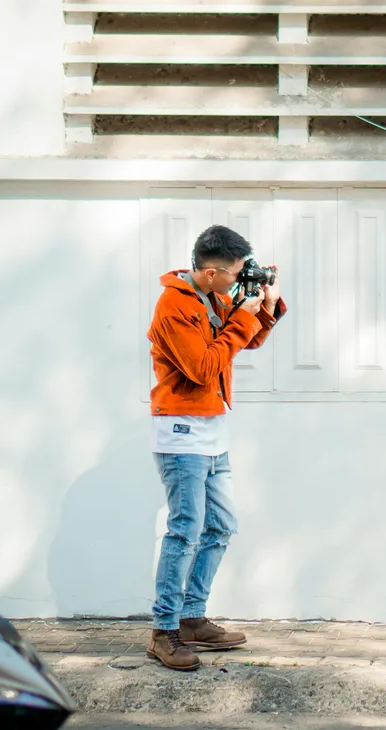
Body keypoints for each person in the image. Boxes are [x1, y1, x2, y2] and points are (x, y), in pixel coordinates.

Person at [146, 225, 286, 671]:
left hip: (212, 430)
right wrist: (242, 316)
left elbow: (246, 339)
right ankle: (164, 631)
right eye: (234, 274)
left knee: (220, 526)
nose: (237, 280)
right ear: (210, 272)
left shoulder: (211, 297)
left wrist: (264, 306)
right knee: (185, 530)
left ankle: (191, 617)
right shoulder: (174, 307)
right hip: (181, 432)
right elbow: (205, 368)